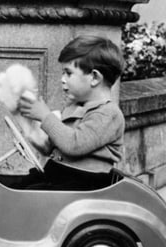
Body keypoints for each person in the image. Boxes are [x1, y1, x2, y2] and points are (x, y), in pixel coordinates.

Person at [17, 35, 126, 190]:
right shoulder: (75, 107)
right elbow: (51, 148)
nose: (62, 79)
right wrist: (30, 123)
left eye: (68, 73)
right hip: (61, 177)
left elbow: (74, 145)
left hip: (85, 184)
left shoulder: (109, 114)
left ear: (94, 77)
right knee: (15, 185)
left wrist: (45, 116)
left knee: (26, 195)